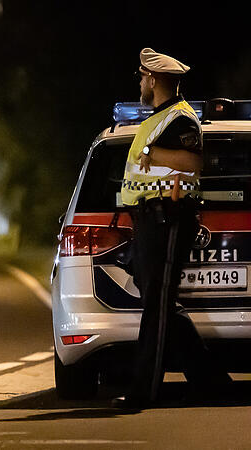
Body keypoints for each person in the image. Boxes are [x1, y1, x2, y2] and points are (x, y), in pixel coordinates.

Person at [114, 49, 230, 409]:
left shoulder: (180, 118)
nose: (140, 82)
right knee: (159, 304)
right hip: (150, 219)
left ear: (152, 80)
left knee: (156, 309)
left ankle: (141, 392)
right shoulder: (160, 118)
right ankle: (213, 383)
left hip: (169, 218)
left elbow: (193, 162)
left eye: (142, 77)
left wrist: (154, 155)